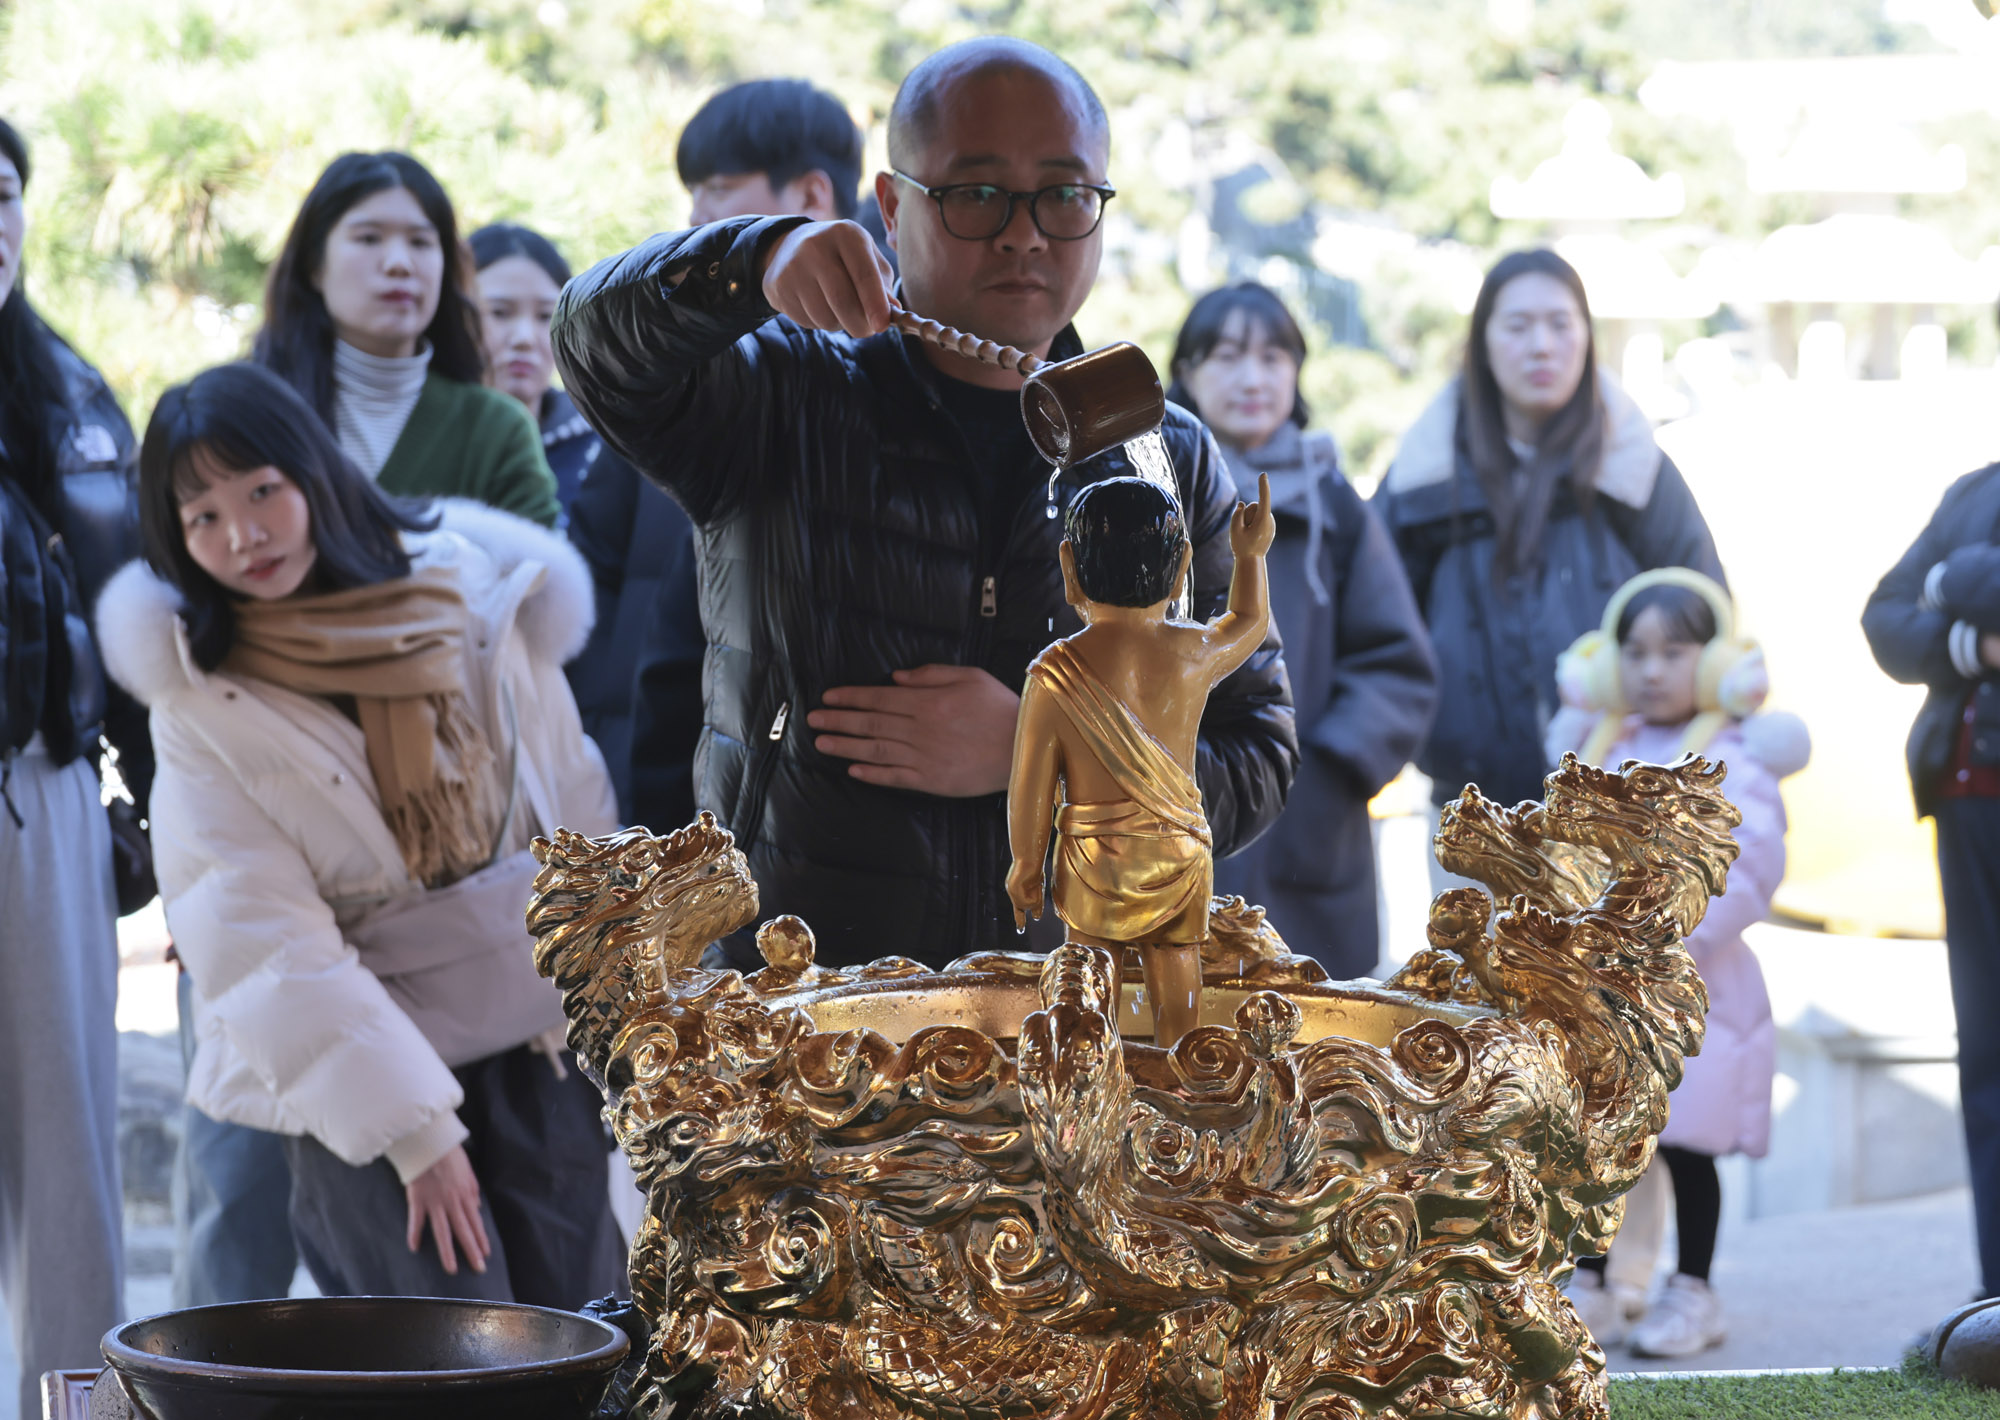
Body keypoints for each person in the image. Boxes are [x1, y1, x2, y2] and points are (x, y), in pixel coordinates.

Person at [553, 36, 1297, 971]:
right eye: (976, 192)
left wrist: (1043, 755)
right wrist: (755, 258)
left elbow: (1258, 752)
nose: (1023, 232)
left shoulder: (1161, 448)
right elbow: (587, 339)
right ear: (895, 205)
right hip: (797, 1012)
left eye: (1064, 194)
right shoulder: (781, 393)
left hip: (1072, 1024)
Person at [100, 361, 623, 1305]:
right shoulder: (201, 692)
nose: (243, 536)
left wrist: (617, 1007)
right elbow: (261, 943)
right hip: (363, 1080)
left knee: (584, 1339)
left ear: (315, 473)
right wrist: (413, 1133)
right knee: (441, 1359)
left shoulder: (470, 589)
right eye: (203, 517)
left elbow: (571, 802)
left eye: (262, 491)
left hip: (533, 1038)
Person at [1373, 249, 1722, 843]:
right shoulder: (1425, 479)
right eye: (1517, 326)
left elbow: (1706, 611)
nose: (1542, 345)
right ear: (1482, 342)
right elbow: (1374, 628)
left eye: (1561, 324)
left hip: (1620, 811)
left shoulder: (1632, 471)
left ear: (1587, 337)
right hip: (1470, 816)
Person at [1547, 569, 1807, 1357]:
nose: (1651, 669)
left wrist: (1658, 931)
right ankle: (1591, 1285)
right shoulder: (1602, 748)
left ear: (1720, 659)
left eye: (1674, 650)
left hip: (1695, 990)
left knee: (1689, 1145)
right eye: (1634, 651)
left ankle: (1693, 1290)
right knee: (1598, 1142)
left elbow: (1747, 866)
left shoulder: (1735, 759)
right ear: (1604, 664)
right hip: (1603, 993)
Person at [0, 115, 150, 1419]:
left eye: (0, 194)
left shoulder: (71, 393)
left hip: (42, 797)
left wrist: (160, 811)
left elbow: (141, 620)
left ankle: (76, 1403)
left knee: (66, 1147)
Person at [1167, 283, 1436, 977]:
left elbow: (1396, 662)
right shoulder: (1150, 491)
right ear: (1187, 373)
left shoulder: (1334, 503)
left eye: (1273, 357)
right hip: (1170, 808)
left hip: (1306, 827)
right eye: (1226, 357)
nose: (1253, 378)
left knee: (1317, 1049)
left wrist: (1326, 771)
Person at [1007, 475, 1276, 1045]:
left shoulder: (1052, 674)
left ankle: (1084, 1086)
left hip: (1093, 863)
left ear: (1069, 568)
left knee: (1086, 991)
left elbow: (1030, 786)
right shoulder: (1192, 652)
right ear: (1181, 569)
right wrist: (1249, 557)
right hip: (1178, 854)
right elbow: (1249, 624)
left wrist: (1025, 868)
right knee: (1179, 977)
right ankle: (1185, 1083)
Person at [470, 221, 701, 822]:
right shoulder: (438, 438)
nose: (523, 337)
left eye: (544, 315)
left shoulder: (611, 441)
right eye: (498, 312)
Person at [1864, 452, 2000, 1306]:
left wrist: (1957, 578)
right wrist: (1974, 642)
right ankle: (1997, 1301)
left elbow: (1936, 584)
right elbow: (1884, 618)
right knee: (1988, 1055)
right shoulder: (1975, 491)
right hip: (1969, 805)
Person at [254, 151, 560, 527]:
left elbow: (546, 576)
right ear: (315, 265)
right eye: (369, 238)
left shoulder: (496, 429)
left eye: (420, 242)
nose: (399, 262)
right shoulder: (246, 409)